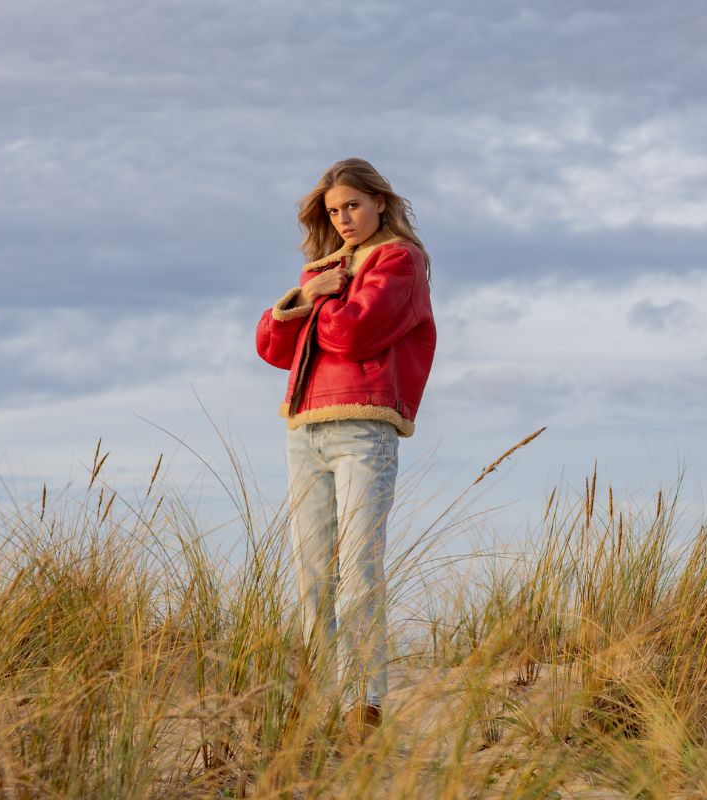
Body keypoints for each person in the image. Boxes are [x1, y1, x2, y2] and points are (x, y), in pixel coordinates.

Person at [255, 158, 436, 739]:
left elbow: (355, 332)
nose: (343, 218)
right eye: (333, 211)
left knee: (358, 565)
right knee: (312, 573)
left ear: (381, 202)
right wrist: (306, 294)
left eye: (352, 205)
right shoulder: (325, 270)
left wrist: (323, 301)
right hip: (304, 427)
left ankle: (364, 705)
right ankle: (317, 704)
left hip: (363, 425)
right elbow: (272, 345)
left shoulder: (399, 260)